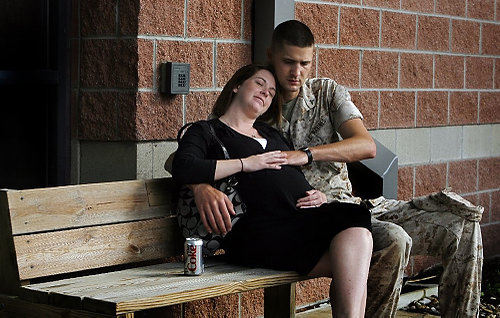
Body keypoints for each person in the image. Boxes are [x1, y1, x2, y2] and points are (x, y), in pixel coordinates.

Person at [186, 21, 484, 318]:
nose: (296, 72)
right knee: (393, 240)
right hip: (293, 222)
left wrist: (305, 155)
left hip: (342, 207)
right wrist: (200, 186)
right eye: (288, 62)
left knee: (463, 225)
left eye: (304, 63)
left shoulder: (325, 94)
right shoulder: (248, 111)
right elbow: (189, 157)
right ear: (271, 56)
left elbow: (366, 146)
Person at [172, 64, 373, 317]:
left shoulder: (271, 134)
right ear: (236, 86)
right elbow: (182, 165)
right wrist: (244, 165)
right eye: (259, 83)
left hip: (296, 224)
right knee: (355, 245)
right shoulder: (208, 131)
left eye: (271, 90)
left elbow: (291, 177)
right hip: (256, 231)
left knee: (358, 235)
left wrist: (317, 194)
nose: (266, 92)